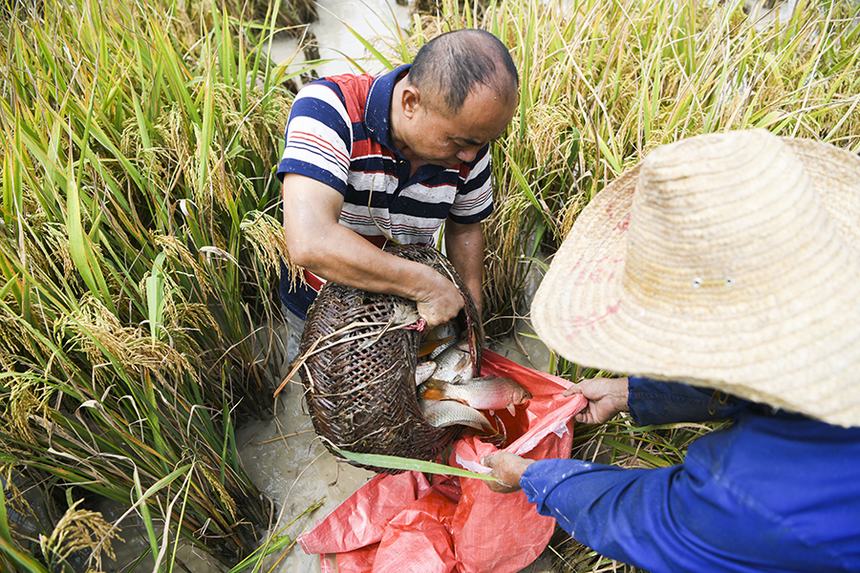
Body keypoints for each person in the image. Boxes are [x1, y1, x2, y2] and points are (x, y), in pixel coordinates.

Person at [483, 129, 860, 572]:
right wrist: (632, 393)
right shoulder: (822, 329)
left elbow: (647, 518)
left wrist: (530, 476)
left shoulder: (756, 492)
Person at [276, 29, 518, 353]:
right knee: (315, 384)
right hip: (318, 305)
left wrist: (472, 323)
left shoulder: (470, 146)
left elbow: (465, 229)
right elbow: (310, 241)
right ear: (410, 102)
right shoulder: (329, 109)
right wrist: (427, 286)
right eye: (460, 142)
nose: (471, 158)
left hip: (404, 311)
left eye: (482, 143)